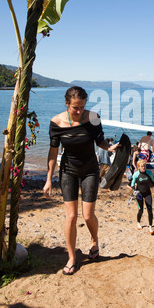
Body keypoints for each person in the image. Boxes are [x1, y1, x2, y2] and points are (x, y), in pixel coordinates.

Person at [43, 86, 119, 275]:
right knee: (70, 216)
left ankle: (94, 240)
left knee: (87, 215)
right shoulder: (56, 122)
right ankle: (72, 257)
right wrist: (48, 179)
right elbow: (53, 152)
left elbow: (99, 140)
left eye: (82, 107)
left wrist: (109, 148)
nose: (79, 111)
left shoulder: (93, 117)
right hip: (68, 170)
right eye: (75, 107)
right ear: (67, 103)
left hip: (90, 170)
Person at [131, 159, 154, 235]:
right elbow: (132, 184)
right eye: (142, 166)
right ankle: (138, 222)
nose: (144, 167)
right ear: (138, 167)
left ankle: (150, 226)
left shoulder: (149, 173)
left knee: (150, 209)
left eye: (144, 166)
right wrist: (134, 191)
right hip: (139, 194)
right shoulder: (136, 174)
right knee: (141, 210)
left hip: (148, 193)